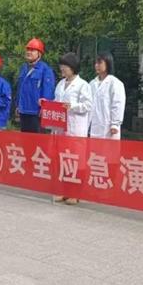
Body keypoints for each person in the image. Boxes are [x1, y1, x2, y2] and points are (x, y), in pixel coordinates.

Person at [53, 52, 92, 204]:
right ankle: (64, 191)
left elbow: (88, 105)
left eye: (65, 66)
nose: (62, 69)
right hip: (61, 129)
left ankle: (75, 193)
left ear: (73, 67)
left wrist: (73, 106)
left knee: (76, 162)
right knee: (63, 161)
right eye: (61, 66)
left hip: (76, 128)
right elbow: (56, 102)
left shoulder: (83, 85)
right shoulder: (60, 84)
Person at [16, 38, 55, 133]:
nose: (29, 52)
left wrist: (44, 108)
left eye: (32, 50)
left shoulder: (45, 70)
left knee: (37, 140)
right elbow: (20, 89)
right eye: (28, 50)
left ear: (39, 54)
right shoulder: (24, 68)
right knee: (24, 140)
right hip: (23, 111)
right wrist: (18, 105)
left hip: (36, 113)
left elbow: (48, 92)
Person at [89, 52, 126, 140]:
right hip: (95, 126)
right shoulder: (92, 84)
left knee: (108, 148)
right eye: (95, 63)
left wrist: (115, 124)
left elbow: (118, 104)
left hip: (109, 127)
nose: (96, 65)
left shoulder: (115, 83)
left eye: (99, 63)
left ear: (108, 64)